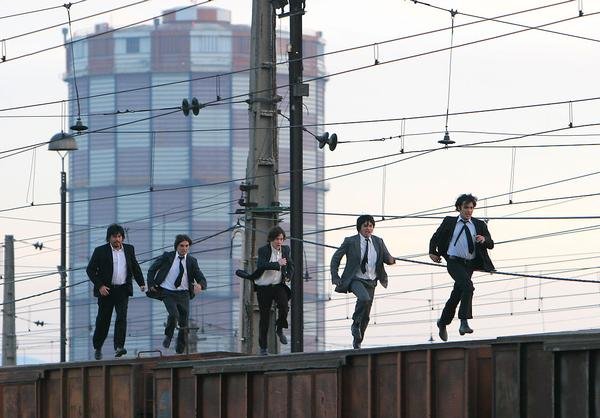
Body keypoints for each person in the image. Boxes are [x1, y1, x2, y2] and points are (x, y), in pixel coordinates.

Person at [429, 193, 495, 341]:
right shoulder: (449, 221)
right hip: (454, 262)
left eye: (471, 208)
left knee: (457, 294)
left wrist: (484, 239)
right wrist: (432, 252)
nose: (469, 211)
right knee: (468, 287)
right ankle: (464, 322)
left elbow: (491, 244)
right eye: (466, 207)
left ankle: (442, 322)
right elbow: (435, 237)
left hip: (469, 265)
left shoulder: (479, 224)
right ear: (459, 208)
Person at [330, 215, 396, 349]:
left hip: (371, 280)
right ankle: (355, 323)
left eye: (371, 226)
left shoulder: (378, 241)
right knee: (364, 298)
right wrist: (335, 277)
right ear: (359, 227)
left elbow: (386, 257)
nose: (368, 228)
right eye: (365, 226)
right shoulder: (350, 241)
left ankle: (358, 341)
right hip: (356, 279)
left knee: (366, 316)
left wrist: (391, 260)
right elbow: (336, 258)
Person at [87, 224, 146, 360]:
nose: (117, 239)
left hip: (122, 290)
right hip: (106, 291)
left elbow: (135, 267)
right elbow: (90, 270)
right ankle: (98, 347)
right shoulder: (100, 251)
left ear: (122, 238)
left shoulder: (129, 249)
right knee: (103, 320)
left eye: (119, 236)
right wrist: (100, 286)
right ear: (109, 238)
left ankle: (119, 347)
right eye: (114, 237)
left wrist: (141, 283)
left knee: (121, 318)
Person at [236, 226, 293, 355]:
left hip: (278, 285)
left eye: (281, 239)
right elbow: (261, 265)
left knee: (284, 306)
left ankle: (280, 328)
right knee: (264, 318)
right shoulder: (264, 250)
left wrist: (289, 275)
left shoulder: (286, 250)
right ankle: (263, 347)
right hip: (264, 287)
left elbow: (290, 265)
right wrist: (277, 264)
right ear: (271, 240)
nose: (279, 242)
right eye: (277, 239)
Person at [146, 234, 207, 354]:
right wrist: (151, 283)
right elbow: (152, 269)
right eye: (181, 246)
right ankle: (168, 336)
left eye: (187, 246)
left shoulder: (192, 261)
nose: (184, 248)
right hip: (168, 292)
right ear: (176, 246)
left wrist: (200, 285)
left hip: (184, 294)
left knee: (184, 323)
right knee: (173, 314)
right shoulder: (167, 257)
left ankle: (180, 348)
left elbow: (200, 277)